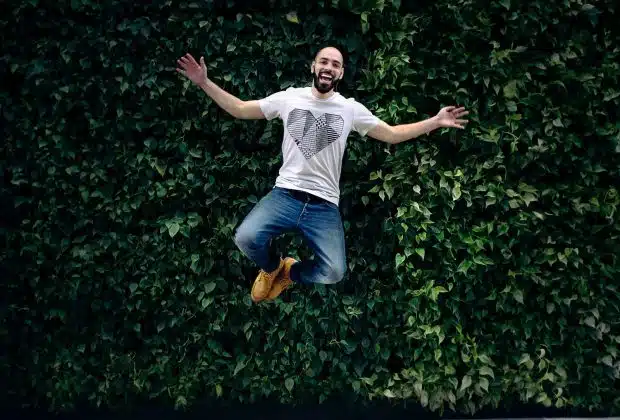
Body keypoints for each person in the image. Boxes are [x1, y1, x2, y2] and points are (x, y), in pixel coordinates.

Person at [176, 47, 468, 303]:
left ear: (340, 74)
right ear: (313, 67)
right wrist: (204, 82)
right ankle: (270, 267)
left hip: (323, 206)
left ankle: (290, 272)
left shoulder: (350, 109)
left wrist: (436, 121)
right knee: (245, 237)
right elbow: (240, 109)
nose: (328, 67)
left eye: (335, 64)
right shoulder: (289, 99)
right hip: (285, 195)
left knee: (334, 272)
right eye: (324, 61)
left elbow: (391, 134)